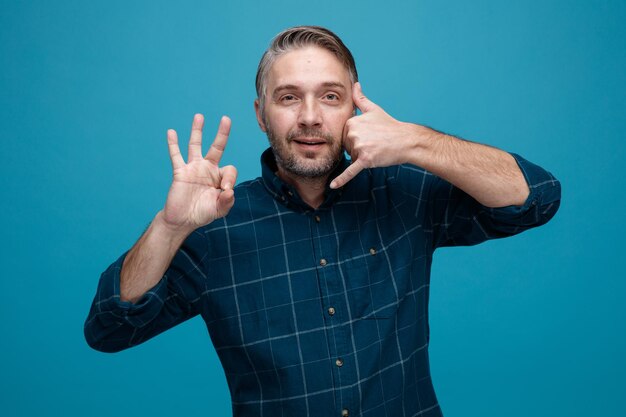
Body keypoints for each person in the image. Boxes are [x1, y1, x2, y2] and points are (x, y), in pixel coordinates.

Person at [84, 26, 561, 417]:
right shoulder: (215, 227)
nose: (310, 117)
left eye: (330, 97)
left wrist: (415, 141)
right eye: (289, 97)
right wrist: (169, 228)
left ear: (353, 108)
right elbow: (109, 329)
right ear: (261, 114)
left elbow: (535, 198)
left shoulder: (404, 194)